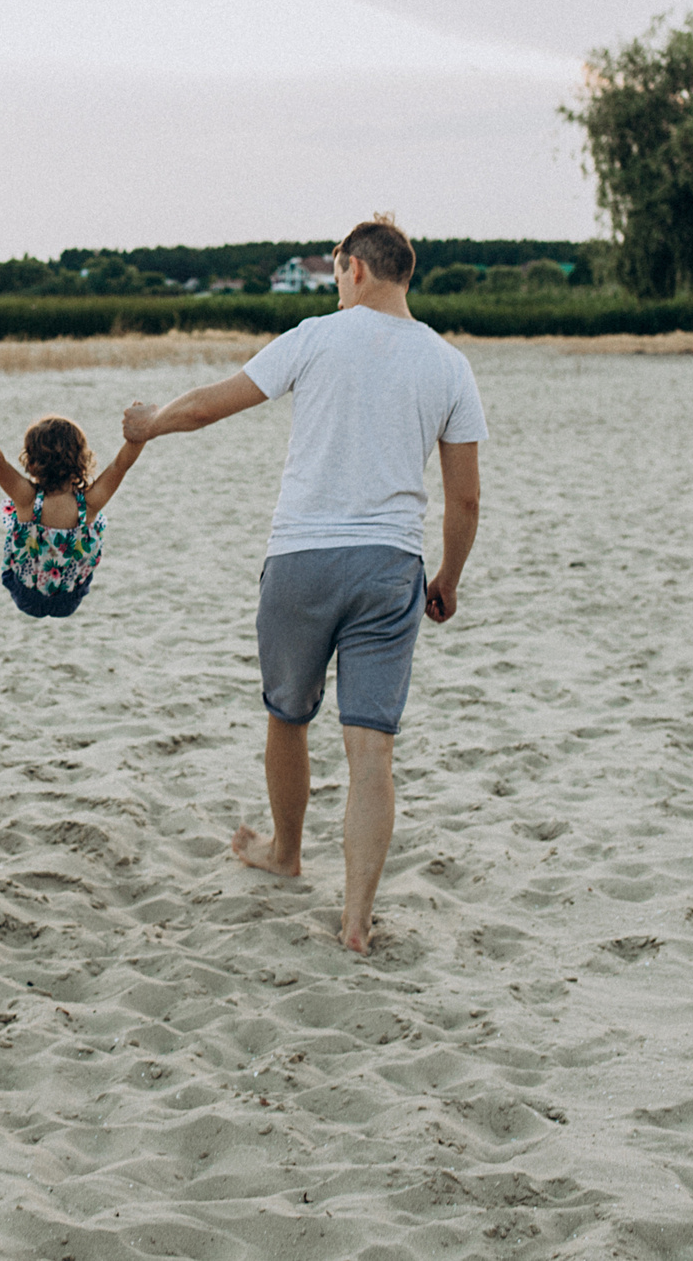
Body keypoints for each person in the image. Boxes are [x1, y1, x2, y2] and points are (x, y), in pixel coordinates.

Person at [123, 216, 485, 953]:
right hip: (390, 567)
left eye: (337, 273)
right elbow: (466, 500)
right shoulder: (449, 364)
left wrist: (147, 422)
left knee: (288, 715)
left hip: (301, 559)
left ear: (353, 268)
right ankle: (355, 919)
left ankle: (285, 851)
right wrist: (447, 577)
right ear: (404, 276)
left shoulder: (316, 335)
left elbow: (209, 404)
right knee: (371, 750)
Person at [0, 412, 145, 618]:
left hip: (26, 593)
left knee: (16, 533)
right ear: (81, 462)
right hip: (69, 596)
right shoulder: (88, 504)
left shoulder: (27, 498)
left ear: (31, 463)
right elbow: (120, 466)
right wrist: (140, 433)